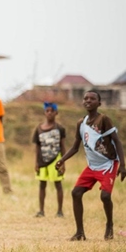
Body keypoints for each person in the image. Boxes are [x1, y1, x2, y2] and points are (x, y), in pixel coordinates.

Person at [56, 90, 126, 241]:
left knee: (105, 196)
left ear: (99, 103)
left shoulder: (104, 120)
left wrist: (122, 164)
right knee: (75, 193)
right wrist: (62, 160)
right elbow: (75, 147)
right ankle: (80, 232)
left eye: (92, 98)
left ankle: (109, 224)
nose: (88, 100)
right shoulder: (81, 123)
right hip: (92, 166)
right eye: (85, 98)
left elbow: (117, 141)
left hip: (107, 165)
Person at [32, 102, 66, 218]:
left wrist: (62, 162)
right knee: (42, 184)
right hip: (42, 160)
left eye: (52, 111)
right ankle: (41, 211)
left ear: (56, 113)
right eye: (47, 111)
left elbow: (62, 146)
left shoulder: (59, 128)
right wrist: (36, 162)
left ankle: (60, 211)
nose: (50, 113)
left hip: (55, 160)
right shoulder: (39, 128)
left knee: (58, 184)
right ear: (44, 112)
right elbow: (37, 146)